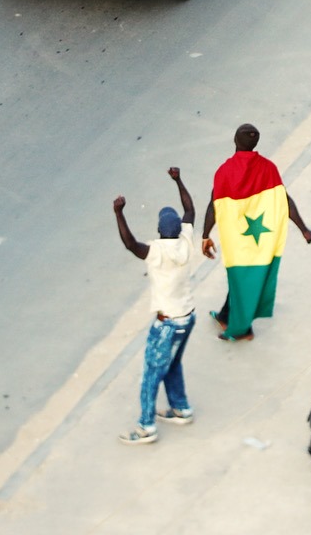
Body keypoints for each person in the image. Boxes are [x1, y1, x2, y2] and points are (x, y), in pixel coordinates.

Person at [202, 124, 311, 341]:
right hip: (262, 238)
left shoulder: (225, 171)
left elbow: (214, 206)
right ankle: (226, 315)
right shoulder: (268, 168)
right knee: (243, 279)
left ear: (235, 141)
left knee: (242, 279)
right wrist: (304, 230)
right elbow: (284, 200)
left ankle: (241, 330)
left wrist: (205, 235)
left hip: (237, 239)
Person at [113, 167, 197, 445]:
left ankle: (146, 426)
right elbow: (190, 209)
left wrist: (119, 212)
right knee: (172, 364)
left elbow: (129, 243)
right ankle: (180, 408)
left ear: (159, 231)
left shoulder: (155, 252)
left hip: (167, 323)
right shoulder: (186, 243)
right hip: (187, 316)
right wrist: (178, 180)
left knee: (151, 373)